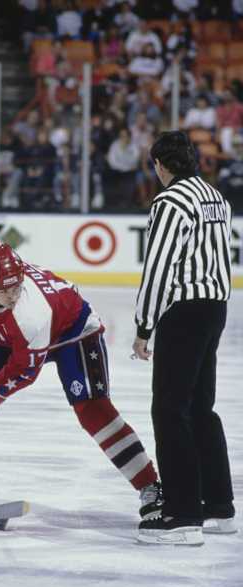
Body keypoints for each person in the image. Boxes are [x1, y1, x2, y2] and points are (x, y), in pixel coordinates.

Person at [0, 221, 163, 521]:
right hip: (13, 337)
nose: (14, 295)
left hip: (73, 333)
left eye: (18, 289)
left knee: (93, 411)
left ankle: (150, 486)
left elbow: (22, 373)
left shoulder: (29, 314)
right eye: (7, 291)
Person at [132, 131, 235, 546]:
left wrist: (144, 327)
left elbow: (159, 267)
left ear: (160, 164)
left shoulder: (170, 202)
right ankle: (219, 505)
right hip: (216, 308)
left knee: (170, 410)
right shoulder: (216, 197)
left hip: (184, 312)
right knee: (200, 407)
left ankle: (182, 515)